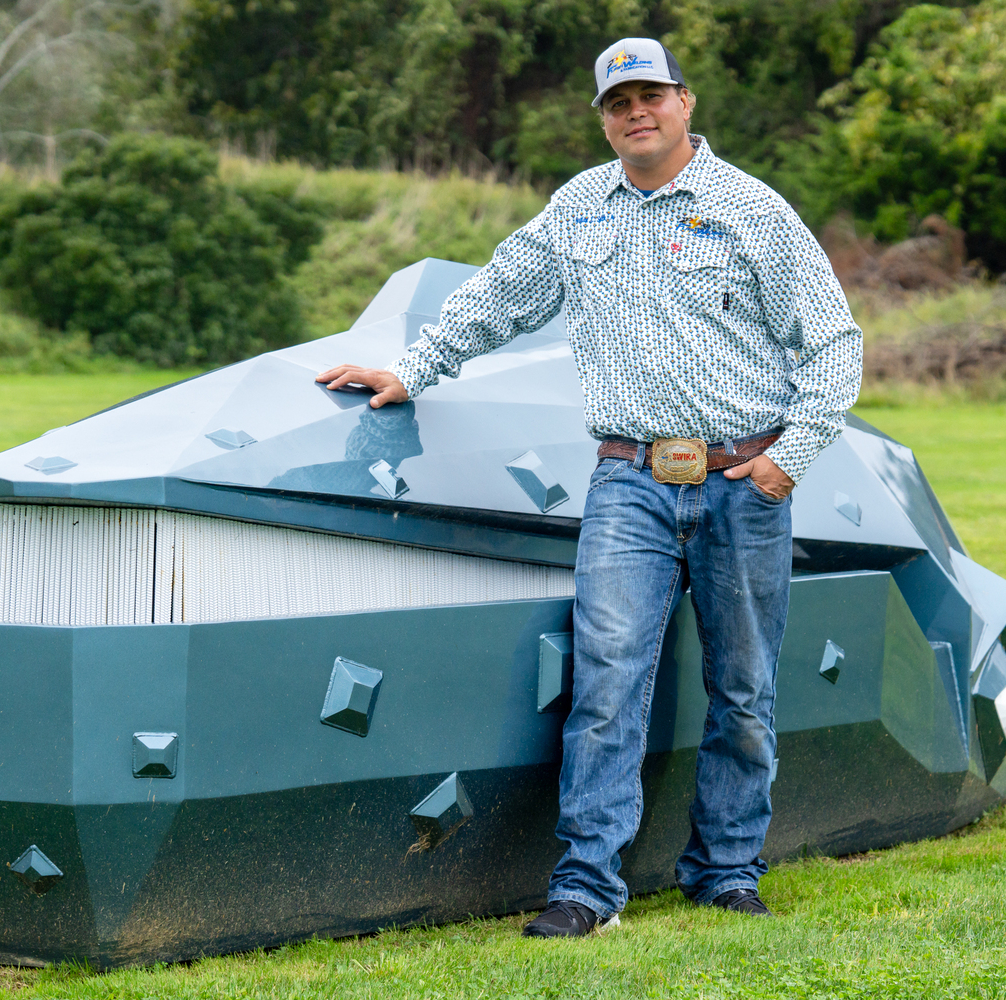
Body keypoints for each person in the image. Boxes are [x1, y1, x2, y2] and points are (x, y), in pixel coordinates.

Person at [317, 36, 862, 938]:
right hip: (630, 484)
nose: (635, 113)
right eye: (618, 103)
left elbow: (834, 344)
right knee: (608, 684)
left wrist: (788, 459)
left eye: (650, 95)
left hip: (743, 482)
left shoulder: (753, 210)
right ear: (605, 118)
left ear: (685, 103)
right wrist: (413, 370)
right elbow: (499, 295)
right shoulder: (578, 208)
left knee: (745, 689)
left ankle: (727, 871)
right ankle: (587, 889)